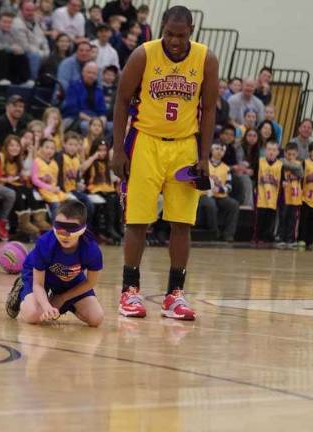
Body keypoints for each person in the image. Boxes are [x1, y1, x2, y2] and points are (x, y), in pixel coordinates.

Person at [111, 6, 218, 320]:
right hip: (145, 142)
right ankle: (129, 291)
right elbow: (120, 100)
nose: (173, 40)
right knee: (137, 221)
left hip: (185, 147)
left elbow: (209, 110)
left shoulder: (206, 59)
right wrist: (118, 149)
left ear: (191, 31)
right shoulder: (143, 55)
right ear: (162, 28)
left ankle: (175, 294)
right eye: (169, 33)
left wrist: (203, 156)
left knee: (182, 224)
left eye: (180, 35)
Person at [5, 200, 104, 327]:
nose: (65, 234)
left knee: (96, 318)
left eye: (71, 228)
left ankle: (67, 305)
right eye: (60, 226)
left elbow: (91, 282)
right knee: (33, 315)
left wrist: (63, 298)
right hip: (39, 277)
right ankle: (22, 290)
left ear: (83, 229)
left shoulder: (91, 249)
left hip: (70, 277)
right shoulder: (45, 243)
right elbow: (38, 284)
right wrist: (46, 306)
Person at [0, 134, 45, 240]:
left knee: (28, 191)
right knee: (18, 194)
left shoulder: (18, 159)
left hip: (13, 183)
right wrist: (7, 179)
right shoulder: (1, 157)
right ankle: (17, 226)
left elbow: (25, 170)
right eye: (11, 145)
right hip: (2, 183)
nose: (14, 148)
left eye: (17, 146)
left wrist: (30, 153)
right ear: (6, 147)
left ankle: (36, 221)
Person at [197, 142, 238, 242]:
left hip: (220, 195)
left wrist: (219, 189)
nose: (219, 151)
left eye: (222, 150)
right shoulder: (204, 165)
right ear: (211, 150)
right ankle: (214, 232)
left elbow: (229, 186)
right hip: (204, 194)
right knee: (210, 205)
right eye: (217, 149)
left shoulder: (226, 168)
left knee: (233, 204)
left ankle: (228, 234)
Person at [84, 138, 121, 243]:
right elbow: (82, 169)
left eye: (104, 150)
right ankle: (109, 228)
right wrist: (93, 157)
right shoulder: (91, 161)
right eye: (99, 150)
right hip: (94, 189)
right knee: (111, 198)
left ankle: (115, 227)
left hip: (107, 189)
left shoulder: (107, 163)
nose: (102, 153)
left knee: (117, 198)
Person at [55, 132, 94, 226]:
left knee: (89, 205)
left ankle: (85, 227)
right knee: (79, 205)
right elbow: (57, 175)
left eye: (75, 145)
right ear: (64, 144)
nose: (73, 147)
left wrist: (78, 184)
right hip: (63, 190)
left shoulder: (76, 159)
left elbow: (76, 177)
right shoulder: (60, 157)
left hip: (73, 189)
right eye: (70, 144)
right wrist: (62, 190)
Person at [0, 11, 30, 86]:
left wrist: (18, 49)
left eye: (9, 22)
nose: (7, 24)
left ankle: (24, 80)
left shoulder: (14, 31)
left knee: (21, 55)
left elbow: (19, 44)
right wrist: (10, 48)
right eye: (4, 22)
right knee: (1, 53)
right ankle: (0, 79)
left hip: (7, 54)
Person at [62, 62, 108, 134]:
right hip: (77, 118)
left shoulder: (99, 90)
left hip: (95, 120)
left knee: (111, 126)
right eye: (89, 72)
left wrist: (102, 120)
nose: (91, 75)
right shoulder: (74, 86)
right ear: (83, 72)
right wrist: (92, 121)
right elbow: (72, 109)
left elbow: (102, 111)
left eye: (94, 73)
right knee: (85, 126)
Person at [12, 0, 49, 80]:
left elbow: (43, 39)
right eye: (28, 10)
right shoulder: (17, 23)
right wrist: (42, 53)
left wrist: (46, 52)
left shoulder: (35, 22)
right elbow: (26, 47)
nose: (31, 12)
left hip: (39, 51)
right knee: (34, 56)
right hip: (22, 53)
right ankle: (32, 81)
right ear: (21, 10)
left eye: (33, 10)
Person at [254, 140, 282, 244]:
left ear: (278, 152)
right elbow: (254, 177)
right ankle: (257, 237)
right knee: (259, 218)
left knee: (270, 219)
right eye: (269, 149)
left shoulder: (280, 165)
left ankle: (266, 238)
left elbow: (282, 181)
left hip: (274, 199)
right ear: (265, 151)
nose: (271, 152)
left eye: (274, 150)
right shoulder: (260, 162)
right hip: (261, 196)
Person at [32, 137, 68, 216]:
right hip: (41, 189)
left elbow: (55, 180)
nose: (49, 150)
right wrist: (48, 187)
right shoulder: (36, 161)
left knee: (68, 202)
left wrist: (55, 188)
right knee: (56, 205)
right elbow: (34, 180)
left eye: (52, 148)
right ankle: (55, 226)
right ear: (41, 148)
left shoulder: (54, 164)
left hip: (53, 189)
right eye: (47, 147)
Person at [276, 142, 303, 248]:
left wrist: (293, 166)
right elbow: (282, 164)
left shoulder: (299, 163)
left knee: (292, 218)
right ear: (285, 153)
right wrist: (294, 167)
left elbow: (301, 173)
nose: (291, 157)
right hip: (284, 195)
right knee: (283, 216)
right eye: (289, 154)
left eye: (293, 154)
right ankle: (280, 237)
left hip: (295, 196)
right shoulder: (281, 162)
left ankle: (290, 239)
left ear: (297, 154)